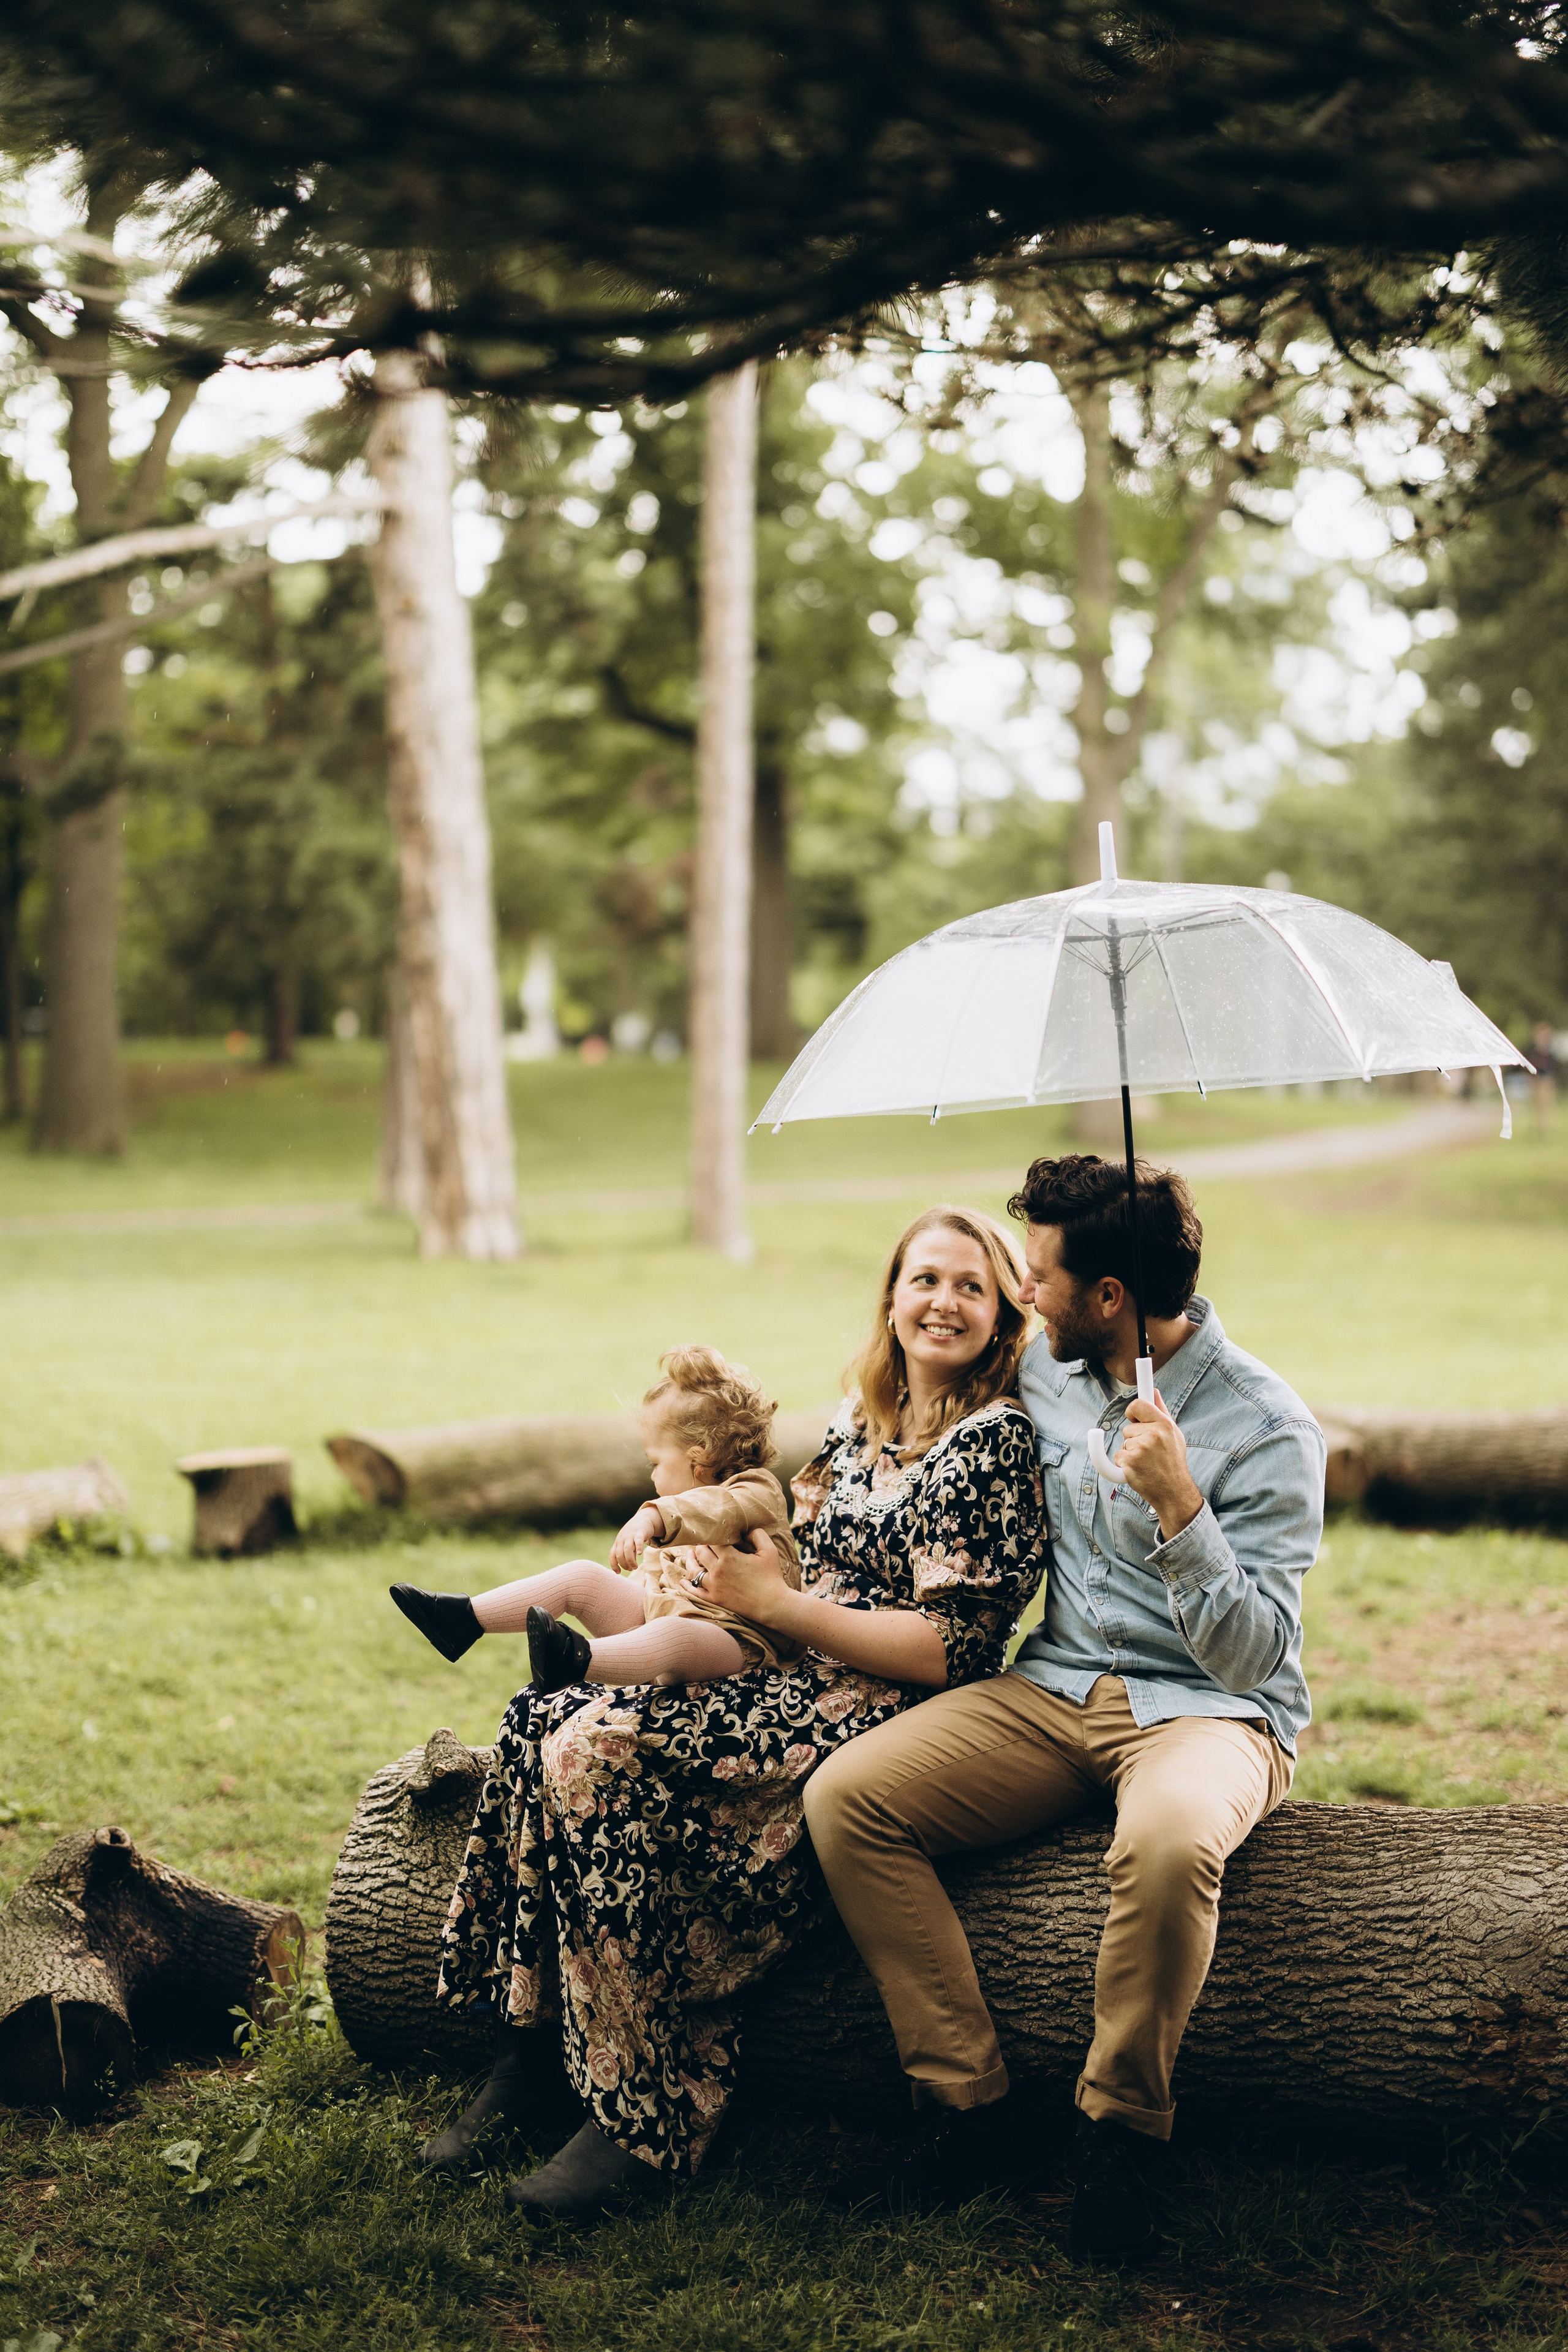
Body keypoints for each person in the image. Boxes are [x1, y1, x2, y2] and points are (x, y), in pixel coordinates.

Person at [426, 1205, 1048, 2218]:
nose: (942, 1301)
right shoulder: (862, 1424)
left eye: (970, 1286)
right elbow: (780, 1539)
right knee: (537, 1715)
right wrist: (708, 1575)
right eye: (924, 1279)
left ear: (1003, 1312)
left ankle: (647, 2116)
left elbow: (955, 1649)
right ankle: (538, 2048)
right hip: (785, 1659)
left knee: (596, 1748)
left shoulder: (992, 1447)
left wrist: (776, 1607)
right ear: (892, 1297)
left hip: (872, 1704)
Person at [804, 1154, 1325, 2264]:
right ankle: (966, 2107)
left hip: (1211, 1713)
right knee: (850, 1798)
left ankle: (1119, 2133)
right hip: (1052, 1687)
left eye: (1039, 1274)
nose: (1022, 1291)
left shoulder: (1271, 1428)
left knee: (1171, 1840)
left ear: (1109, 1299)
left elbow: (1260, 1654)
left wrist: (1183, 1507)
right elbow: (889, 1418)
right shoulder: (1043, 1373)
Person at [388, 1346, 807, 1690]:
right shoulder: (680, 1512)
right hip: (664, 1615)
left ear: (702, 1455)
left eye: (655, 1461)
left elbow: (713, 1512)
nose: (652, 1475)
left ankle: (575, 1661)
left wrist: (651, 1518)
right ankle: (462, 1619)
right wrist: (632, 1585)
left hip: (741, 1644)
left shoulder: (756, 1492)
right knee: (583, 1578)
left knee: (674, 1637)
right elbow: (656, 1577)